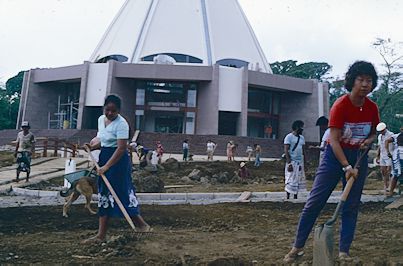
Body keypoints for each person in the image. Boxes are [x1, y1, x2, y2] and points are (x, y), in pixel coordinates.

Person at [283, 61, 380, 262]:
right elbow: (334, 140)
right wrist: (346, 166)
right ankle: (297, 247)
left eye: (369, 81)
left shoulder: (372, 108)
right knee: (315, 201)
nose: (364, 84)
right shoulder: (341, 105)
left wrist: (368, 142)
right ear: (352, 81)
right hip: (334, 156)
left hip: (358, 158)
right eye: (361, 79)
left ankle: (344, 251)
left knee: (351, 205)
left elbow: (372, 134)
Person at [83, 94, 151, 243]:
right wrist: (92, 147)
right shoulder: (101, 120)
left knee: (120, 193)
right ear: (104, 108)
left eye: (113, 111)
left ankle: (142, 225)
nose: (109, 113)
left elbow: (121, 148)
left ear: (119, 110)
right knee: (104, 194)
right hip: (105, 157)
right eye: (107, 110)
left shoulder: (122, 124)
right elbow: (104, 141)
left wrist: (107, 167)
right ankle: (101, 235)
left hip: (118, 162)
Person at [283, 120, 306, 200]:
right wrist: (289, 163)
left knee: (298, 179)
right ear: (297, 127)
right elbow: (286, 150)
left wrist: (305, 162)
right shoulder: (289, 137)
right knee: (290, 178)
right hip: (292, 161)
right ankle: (288, 196)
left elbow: (303, 150)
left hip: (300, 162)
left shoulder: (302, 138)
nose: (302, 129)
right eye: (301, 127)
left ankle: (295, 196)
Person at [375, 122, 394, 191]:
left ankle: (390, 186)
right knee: (383, 171)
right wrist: (377, 156)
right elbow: (379, 146)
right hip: (382, 155)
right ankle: (385, 185)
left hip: (389, 155)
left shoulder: (391, 135)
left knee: (389, 171)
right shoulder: (380, 136)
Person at [385, 126, 403, 197]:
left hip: (397, 155)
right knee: (395, 174)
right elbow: (387, 141)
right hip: (398, 156)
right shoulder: (396, 136)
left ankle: (392, 191)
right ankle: (391, 192)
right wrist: (388, 152)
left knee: (396, 174)